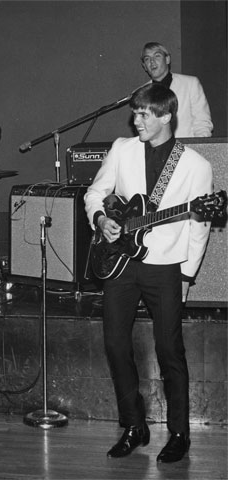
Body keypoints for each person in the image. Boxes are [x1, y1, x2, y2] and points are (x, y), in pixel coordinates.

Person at [84, 84, 213, 463]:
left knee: (170, 350)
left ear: (166, 116)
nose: (135, 120)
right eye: (135, 113)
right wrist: (101, 219)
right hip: (121, 264)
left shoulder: (195, 165)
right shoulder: (122, 149)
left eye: (144, 114)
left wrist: (187, 276)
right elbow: (94, 193)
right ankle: (133, 425)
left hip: (167, 267)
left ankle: (179, 434)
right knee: (115, 344)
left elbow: (199, 226)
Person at [140, 41, 213, 137]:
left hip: (186, 145)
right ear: (144, 66)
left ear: (167, 59)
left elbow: (202, 124)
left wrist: (198, 144)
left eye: (157, 56)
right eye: (147, 59)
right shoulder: (141, 93)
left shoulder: (190, 84)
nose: (152, 61)